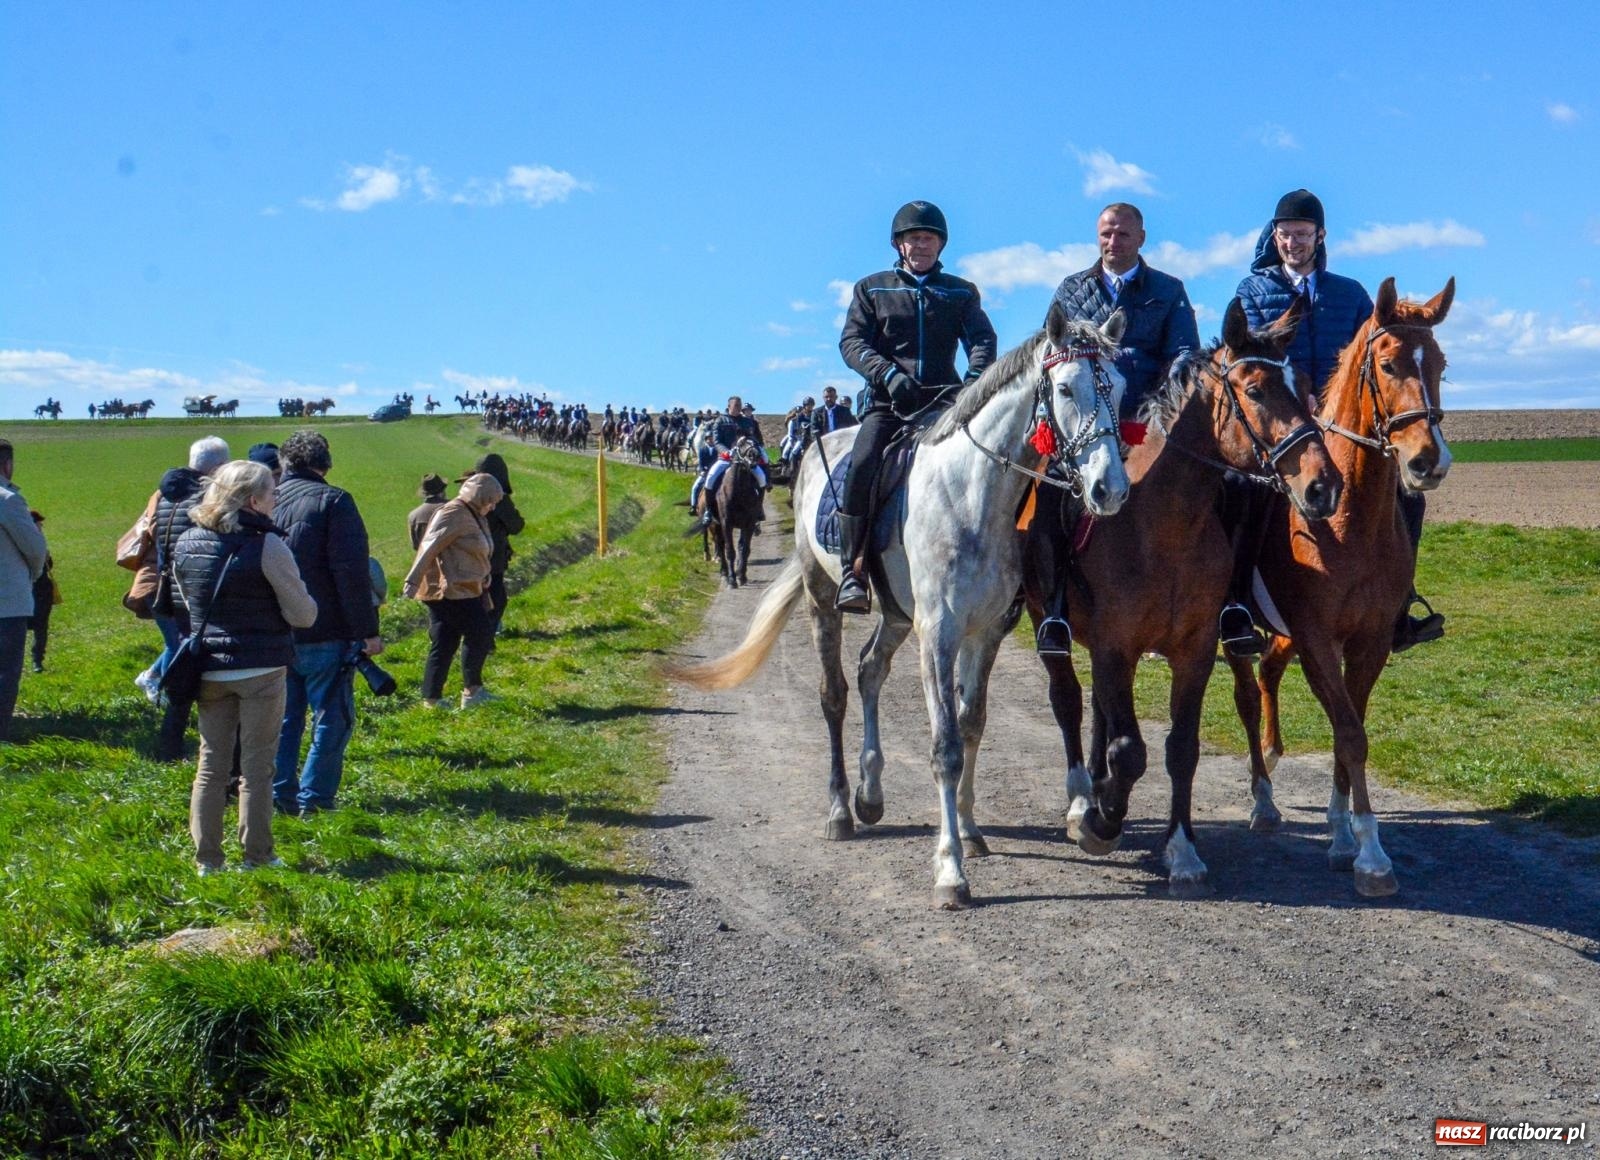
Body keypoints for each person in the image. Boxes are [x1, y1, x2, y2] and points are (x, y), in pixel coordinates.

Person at [1234, 190, 1443, 653]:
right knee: (1240, 491)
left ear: (1320, 236)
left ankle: (1398, 605)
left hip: (1344, 425)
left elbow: (1371, 358)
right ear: (1274, 236)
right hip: (1280, 427)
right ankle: (1235, 606)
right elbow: (1250, 356)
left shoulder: (1349, 294)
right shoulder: (1254, 291)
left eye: (1302, 234)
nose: (1293, 243)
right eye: (1285, 235)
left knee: (1406, 497)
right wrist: (1292, 398)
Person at [1031, 202, 1199, 653]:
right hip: (1085, 425)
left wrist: (1160, 402)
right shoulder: (1071, 290)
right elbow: (1051, 353)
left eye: (1124, 234)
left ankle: (1222, 604)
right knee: (1046, 499)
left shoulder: (1168, 290)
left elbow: (1186, 352)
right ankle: (1054, 611)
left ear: (1141, 238)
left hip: (1147, 419)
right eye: (1106, 233)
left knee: (1212, 493)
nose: (1113, 241)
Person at [835, 200, 998, 612]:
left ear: (940, 244)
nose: (921, 245)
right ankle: (852, 570)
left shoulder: (961, 292)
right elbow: (853, 343)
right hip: (889, 403)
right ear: (899, 244)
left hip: (946, 402)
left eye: (929, 238)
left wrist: (975, 382)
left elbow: (981, 340)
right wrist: (886, 375)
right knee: (863, 462)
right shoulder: (871, 288)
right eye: (913, 238)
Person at [172, 460, 316, 875]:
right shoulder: (268, 546)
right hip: (261, 668)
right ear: (253, 500)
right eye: (272, 492)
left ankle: (207, 861)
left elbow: (186, 604)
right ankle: (258, 855)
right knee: (257, 767)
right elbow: (303, 614)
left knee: (211, 764)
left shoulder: (187, 541)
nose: (276, 500)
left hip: (208, 669)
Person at [271, 430, 384, 815]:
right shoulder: (334, 501)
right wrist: (367, 632)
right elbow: (351, 575)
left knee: (285, 720)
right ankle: (315, 800)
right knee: (331, 718)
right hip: (326, 629)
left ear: (284, 463)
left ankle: (279, 795)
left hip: (275, 631)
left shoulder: (264, 501)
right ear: (326, 463)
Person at [142, 435, 231, 760]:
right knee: (206, 677)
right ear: (219, 467)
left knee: (182, 672)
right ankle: (213, 749)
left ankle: (170, 745)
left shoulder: (165, 496)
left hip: (168, 595)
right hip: (197, 597)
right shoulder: (207, 497)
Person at [402, 471, 504, 710]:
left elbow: (476, 549)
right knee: (479, 634)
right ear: (482, 496)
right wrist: (412, 581)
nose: (493, 505)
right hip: (450, 591)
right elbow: (430, 544)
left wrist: (484, 573)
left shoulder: (475, 513)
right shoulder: (453, 512)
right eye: (492, 500)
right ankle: (471, 692)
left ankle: (433, 699)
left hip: (467, 587)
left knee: (446, 641)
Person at [1, 440, 49, 742]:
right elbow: (35, 549)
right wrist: (32, 575)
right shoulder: (7, 500)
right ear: (7, 465)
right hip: (6, 602)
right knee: (5, 673)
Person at [469, 453, 525, 638]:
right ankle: (485, 637)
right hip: (492, 557)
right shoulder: (497, 496)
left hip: (469, 555)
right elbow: (516, 525)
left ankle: (479, 635)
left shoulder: (468, 492)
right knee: (497, 599)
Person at [691, 395, 770, 520]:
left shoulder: (747, 421)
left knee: (761, 478)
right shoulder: (720, 421)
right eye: (736, 406)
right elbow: (717, 441)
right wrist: (727, 452)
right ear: (729, 406)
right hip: (725, 458)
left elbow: (752, 437)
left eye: (740, 405)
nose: (739, 408)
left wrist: (750, 445)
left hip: (744, 459)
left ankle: (758, 508)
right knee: (710, 479)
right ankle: (709, 511)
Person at [26, 511, 55, 673]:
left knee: (40, 626)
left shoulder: (40, 543)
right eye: (38, 523)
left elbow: (49, 566)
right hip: (28, 591)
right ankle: (34, 661)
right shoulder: (27, 543)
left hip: (42, 590)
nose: (41, 526)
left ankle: (37, 660)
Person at [407, 472, 449, 549]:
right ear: (442, 491)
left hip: (426, 559)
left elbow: (415, 546)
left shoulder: (413, 516)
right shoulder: (452, 508)